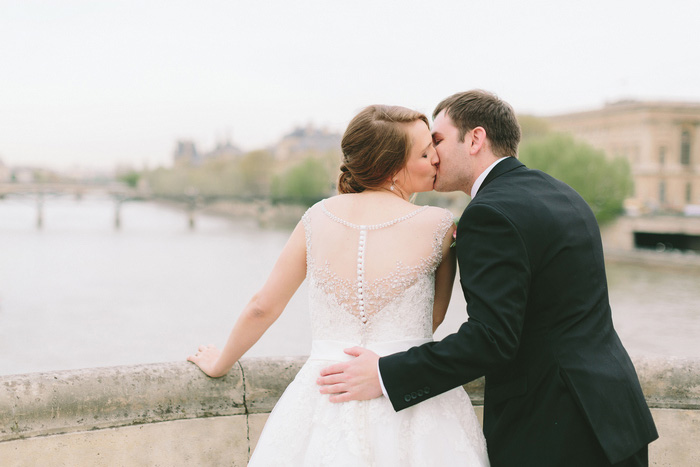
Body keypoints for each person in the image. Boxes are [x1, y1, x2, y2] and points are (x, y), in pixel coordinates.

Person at [317, 90, 659, 466]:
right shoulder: (563, 193)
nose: (432, 155)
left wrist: (385, 374)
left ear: (476, 139)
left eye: (438, 140)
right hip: (615, 416)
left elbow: (491, 340)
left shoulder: (488, 214)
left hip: (555, 431)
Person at [188, 105, 490, 466]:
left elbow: (262, 307)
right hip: (409, 397)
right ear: (394, 167)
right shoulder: (440, 225)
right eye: (426, 153)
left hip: (324, 395)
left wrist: (221, 363)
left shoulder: (317, 216)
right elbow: (433, 320)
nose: (437, 159)